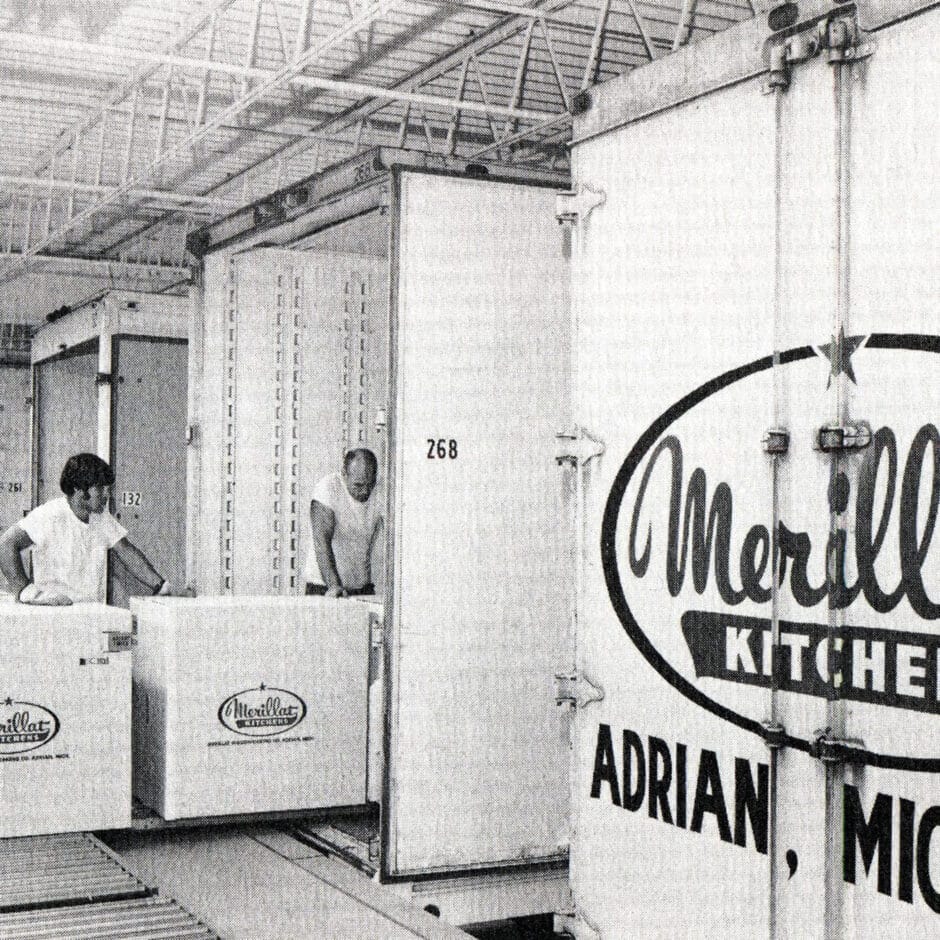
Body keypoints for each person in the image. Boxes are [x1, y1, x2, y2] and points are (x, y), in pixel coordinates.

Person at [0, 452, 173, 606]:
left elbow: (127, 553)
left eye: (108, 489)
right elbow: (5, 544)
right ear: (78, 489)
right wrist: (25, 591)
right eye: (100, 488)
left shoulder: (100, 518)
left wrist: (161, 586)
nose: (107, 495)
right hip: (55, 614)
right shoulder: (50, 514)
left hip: (91, 612)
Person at [305, 448, 383, 598]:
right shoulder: (328, 488)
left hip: (361, 588)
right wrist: (334, 586)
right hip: (323, 588)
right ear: (344, 474)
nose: (365, 491)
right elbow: (321, 542)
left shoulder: (382, 489)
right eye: (358, 486)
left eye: (370, 484)